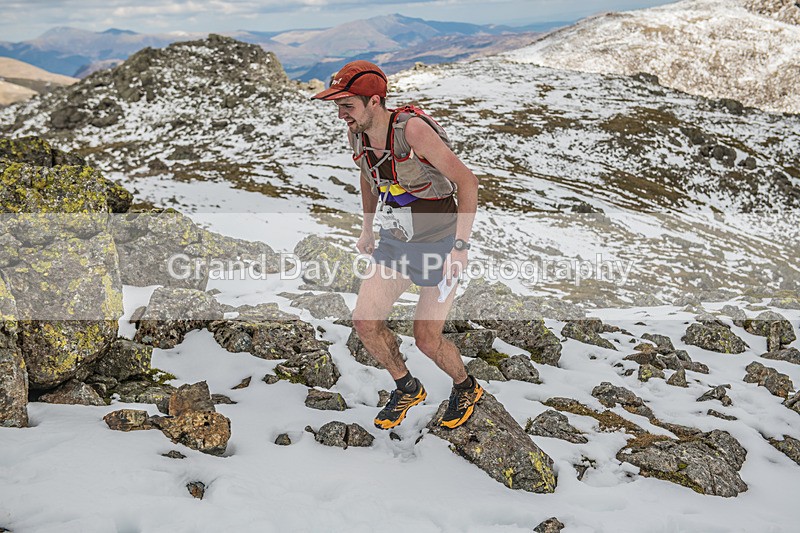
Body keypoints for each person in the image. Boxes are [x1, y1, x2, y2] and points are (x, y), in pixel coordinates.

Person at [312, 60, 482, 430]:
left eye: (348, 106)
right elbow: (368, 178)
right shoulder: (357, 133)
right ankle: (406, 386)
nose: (341, 115)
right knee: (365, 321)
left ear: (375, 102)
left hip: (439, 242)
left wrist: (460, 247)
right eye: (337, 106)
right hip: (396, 240)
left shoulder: (414, 132)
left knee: (426, 339)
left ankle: (466, 387)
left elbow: (467, 183)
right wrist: (367, 228)